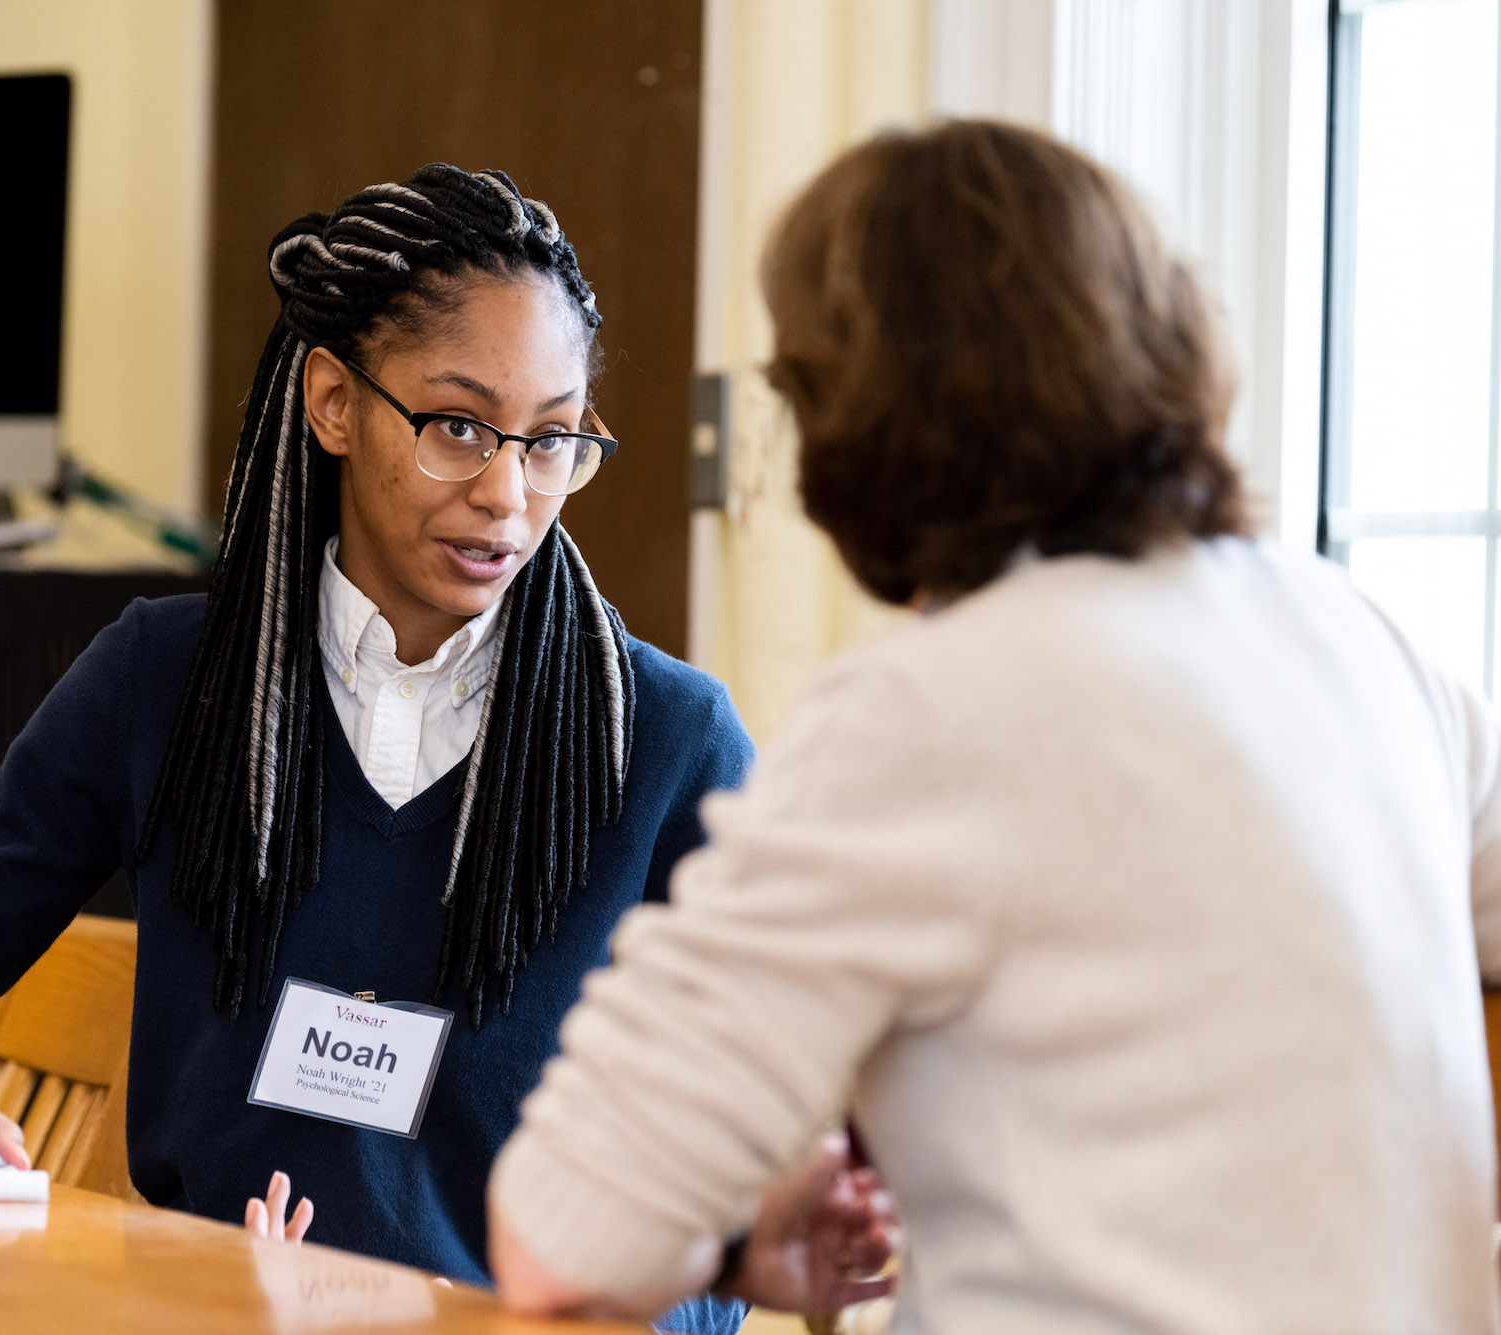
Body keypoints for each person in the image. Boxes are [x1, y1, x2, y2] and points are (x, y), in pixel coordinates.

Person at [0, 163, 857, 1334]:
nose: (506, 494)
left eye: (551, 442)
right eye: (456, 427)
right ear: (333, 401)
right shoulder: (161, 685)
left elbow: (766, 1202)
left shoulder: (670, 743)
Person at [485, 119, 1501, 1332]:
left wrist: (749, 1220)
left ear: (839, 418)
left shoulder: (922, 717)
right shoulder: (1359, 641)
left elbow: (562, 1239)